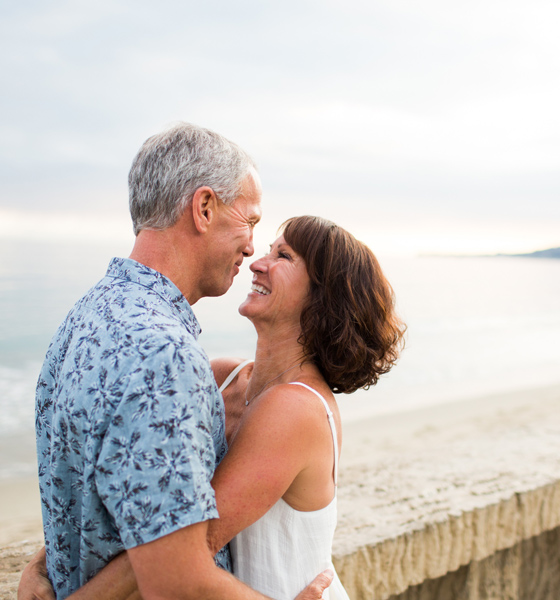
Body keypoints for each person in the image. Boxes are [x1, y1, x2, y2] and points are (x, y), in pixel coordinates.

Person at [21, 216, 405, 599]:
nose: (257, 262)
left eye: (283, 256)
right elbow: (143, 492)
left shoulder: (296, 409)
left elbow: (181, 546)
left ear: (323, 297)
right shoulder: (223, 376)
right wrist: (43, 562)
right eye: (269, 250)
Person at [25, 122, 332, 600]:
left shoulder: (83, 317)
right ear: (204, 208)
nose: (252, 247)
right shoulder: (164, 354)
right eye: (249, 221)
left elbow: (87, 491)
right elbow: (177, 583)